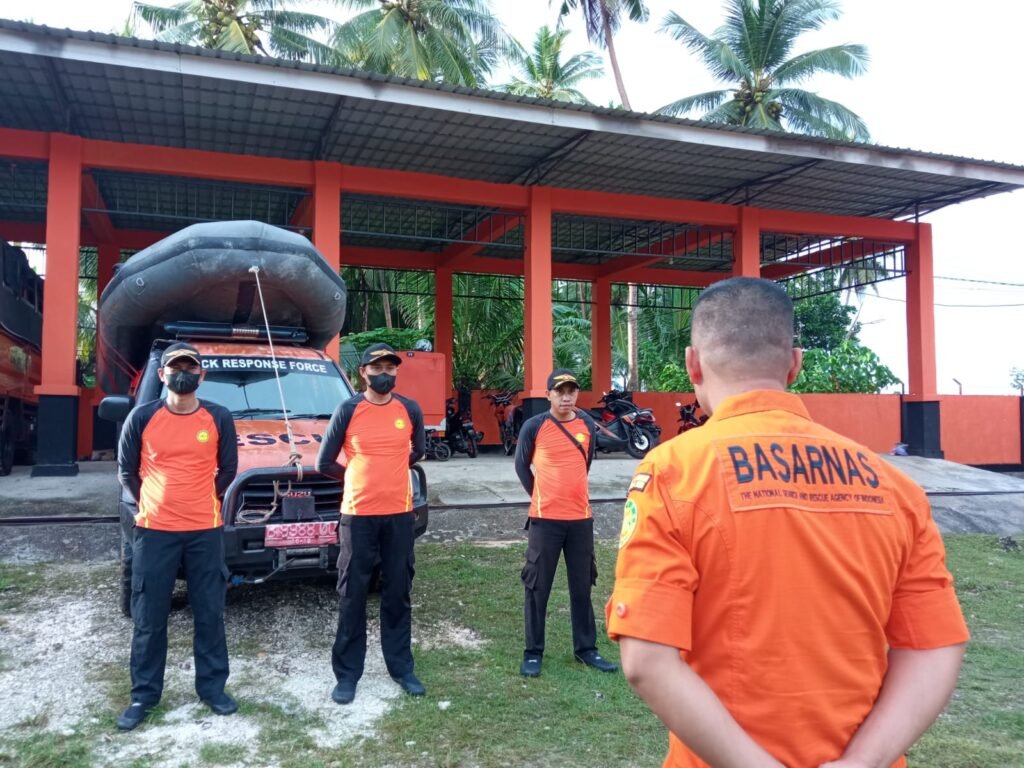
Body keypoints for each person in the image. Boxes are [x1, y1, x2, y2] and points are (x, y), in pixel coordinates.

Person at [607, 277, 969, 768]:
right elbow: (934, 646)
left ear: (693, 363)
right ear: (795, 364)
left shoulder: (674, 473)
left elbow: (647, 660)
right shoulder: (894, 486)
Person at [115, 342, 239, 731]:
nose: (182, 372)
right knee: (150, 618)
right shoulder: (142, 417)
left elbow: (228, 471)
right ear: (161, 373)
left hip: (205, 530)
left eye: (190, 367)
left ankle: (213, 689)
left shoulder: (218, 418)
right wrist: (157, 502)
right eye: (175, 366)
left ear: (201, 375)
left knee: (209, 613)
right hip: (154, 532)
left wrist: (198, 500)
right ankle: (144, 696)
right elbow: (127, 472)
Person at [317, 342, 426, 704]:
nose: (384, 374)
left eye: (389, 368)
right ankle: (347, 675)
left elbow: (417, 452)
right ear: (362, 372)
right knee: (353, 594)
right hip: (358, 517)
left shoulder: (409, 409)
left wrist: (388, 471)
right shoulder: (348, 409)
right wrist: (356, 477)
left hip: (398, 515)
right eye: (376, 369)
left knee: (398, 592)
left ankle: (401, 668)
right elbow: (324, 462)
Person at [514, 368, 619, 678]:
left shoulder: (587, 423)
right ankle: (533, 652)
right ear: (548, 395)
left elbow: (584, 463)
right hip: (545, 521)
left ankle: (586, 649)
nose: (566, 396)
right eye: (560, 391)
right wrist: (542, 496)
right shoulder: (535, 426)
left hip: (580, 520)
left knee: (582, 586)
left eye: (571, 390)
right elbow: (522, 466)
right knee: (537, 588)